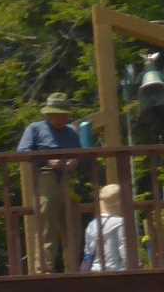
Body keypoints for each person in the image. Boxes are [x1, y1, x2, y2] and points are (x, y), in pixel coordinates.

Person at [15, 92, 91, 272]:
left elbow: (79, 153)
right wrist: (48, 160)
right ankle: (44, 269)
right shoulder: (35, 128)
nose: (61, 118)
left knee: (72, 225)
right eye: (57, 114)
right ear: (49, 114)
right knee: (47, 222)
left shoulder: (71, 132)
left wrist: (74, 161)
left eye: (64, 115)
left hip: (67, 178)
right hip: (46, 176)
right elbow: (23, 151)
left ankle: (72, 269)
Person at [82, 182, 135, 272]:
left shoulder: (92, 224)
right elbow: (125, 251)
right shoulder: (121, 223)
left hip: (94, 272)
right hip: (116, 272)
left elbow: (88, 252)